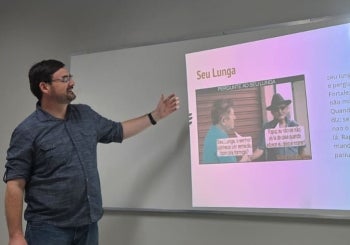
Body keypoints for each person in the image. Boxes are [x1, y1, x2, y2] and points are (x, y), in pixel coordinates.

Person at [3, 59, 179, 245]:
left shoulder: (85, 115)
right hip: (49, 230)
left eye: (70, 77)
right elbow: (15, 184)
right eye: (64, 79)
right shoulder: (27, 130)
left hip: (88, 226)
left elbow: (118, 131)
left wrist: (155, 116)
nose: (72, 82)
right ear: (44, 87)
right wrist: (15, 236)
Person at [248, 93, 305, 161]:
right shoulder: (267, 128)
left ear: (287, 108)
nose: (280, 111)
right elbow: (260, 149)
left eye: (282, 108)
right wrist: (248, 158)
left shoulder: (295, 126)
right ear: (272, 112)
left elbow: (302, 150)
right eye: (276, 109)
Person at [202, 99, 248, 164]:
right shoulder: (221, 139)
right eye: (232, 115)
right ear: (224, 121)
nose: (235, 117)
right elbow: (231, 170)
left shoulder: (213, 131)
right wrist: (244, 160)